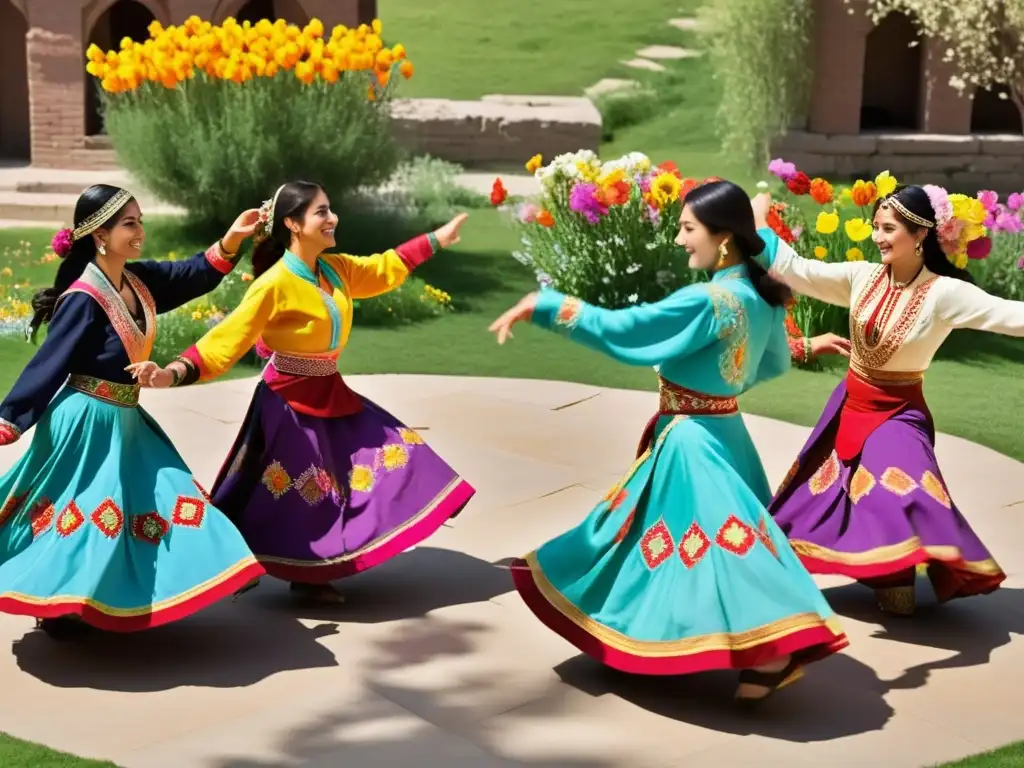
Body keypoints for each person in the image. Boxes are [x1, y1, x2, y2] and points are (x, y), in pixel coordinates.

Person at [489, 180, 848, 705]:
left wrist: (549, 307)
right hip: (727, 432)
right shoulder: (761, 295)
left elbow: (630, 329)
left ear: (722, 238)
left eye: (687, 228)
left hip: (690, 442)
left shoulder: (711, 299)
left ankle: (771, 650)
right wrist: (800, 343)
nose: (679, 240)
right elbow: (769, 360)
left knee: (709, 548)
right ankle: (697, 643)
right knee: (698, 546)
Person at [128, 182, 475, 604]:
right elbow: (228, 338)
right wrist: (172, 373)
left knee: (394, 452)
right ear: (293, 224)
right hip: (288, 403)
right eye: (321, 212)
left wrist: (436, 240)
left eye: (331, 209)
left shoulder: (336, 269)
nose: (333, 219)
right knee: (308, 491)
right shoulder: (274, 284)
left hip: (329, 390)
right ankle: (304, 577)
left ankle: (364, 541)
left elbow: (384, 268)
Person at [0, 184, 265, 639]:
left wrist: (232, 240)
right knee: (86, 519)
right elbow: (49, 365)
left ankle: (138, 592)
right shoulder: (84, 297)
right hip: (85, 424)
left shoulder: (138, 281)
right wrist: (9, 420)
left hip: (128, 419)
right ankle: (64, 607)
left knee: (166, 497)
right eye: (129, 223)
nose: (140, 230)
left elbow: (192, 274)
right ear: (99, 234)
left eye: (140, 220)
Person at [755, 184, 1017, 616]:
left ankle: (898, 575)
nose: (877, 236)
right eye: (875, 227)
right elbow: (796, 269)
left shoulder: (945, 293)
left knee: (899, 486)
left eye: (888, 228)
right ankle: (885, 577)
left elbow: (1010, 316)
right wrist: (761, 222)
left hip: (900, 414)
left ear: (919, 234)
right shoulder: (861, 276)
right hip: (849, 405)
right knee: (815, 500)